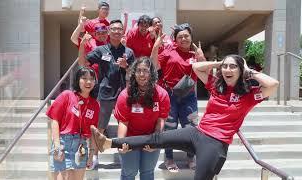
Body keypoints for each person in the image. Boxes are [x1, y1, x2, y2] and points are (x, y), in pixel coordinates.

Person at [90, 54, 279, 180]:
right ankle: (108, 143)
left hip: (216, 142)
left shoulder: (248, 95)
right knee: (157, 138)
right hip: (197, 132)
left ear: (240, 70)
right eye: (225, 67)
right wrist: (219, 63)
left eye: (232, 67)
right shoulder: (217, 86)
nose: (227, 70)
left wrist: (248, 70)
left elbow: (273, 84)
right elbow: (196, 67)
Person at [150, 23, 206, 172]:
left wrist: (202, 58)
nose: (183, 39)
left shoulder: (195, 55)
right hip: (170, 96)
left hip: (189, 96)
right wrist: (156, 47)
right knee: (170, 128)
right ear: (175, 40)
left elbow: (206, 74)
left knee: (191, 128)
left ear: (191, 38)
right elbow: (153, 65)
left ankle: (190, 157)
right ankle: (169, 158)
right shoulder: (169, 52)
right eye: (180, 37)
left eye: (186, 36)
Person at [114, 57, 170, 180]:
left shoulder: (162, 94)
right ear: (134, 73)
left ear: (152, 73)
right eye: (138, 70)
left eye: (145, 70)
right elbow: (123, 121)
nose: (141, 74)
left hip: (151, 138)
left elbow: (161, 120)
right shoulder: (125, 95)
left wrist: (155, 141)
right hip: (130, 139)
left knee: (148, 172)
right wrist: (120, 142)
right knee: (129, 173)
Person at [81, 19, 135, 136]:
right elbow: (83, 63)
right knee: (101, 125)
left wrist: (126, 66)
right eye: (114, 29)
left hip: (123, 93)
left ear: (123, 32)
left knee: (124, 124)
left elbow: (134, 74)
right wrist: (82, 45)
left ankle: (123, 150)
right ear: (109, 32)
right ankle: (94, 153)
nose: (117, 31)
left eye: (119, 29)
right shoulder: (101, 50)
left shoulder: (129, 52)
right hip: (105, 93)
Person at [46, 67, 100, 180]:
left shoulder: (95, 105)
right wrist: (57, 146)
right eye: (84, 78)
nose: (88, 82)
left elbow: (93, 131)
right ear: (77, 80)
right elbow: (54, 120)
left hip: (81, 147)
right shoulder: (67, 95)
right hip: (63, 143)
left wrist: (92, 155)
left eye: (91, 79)